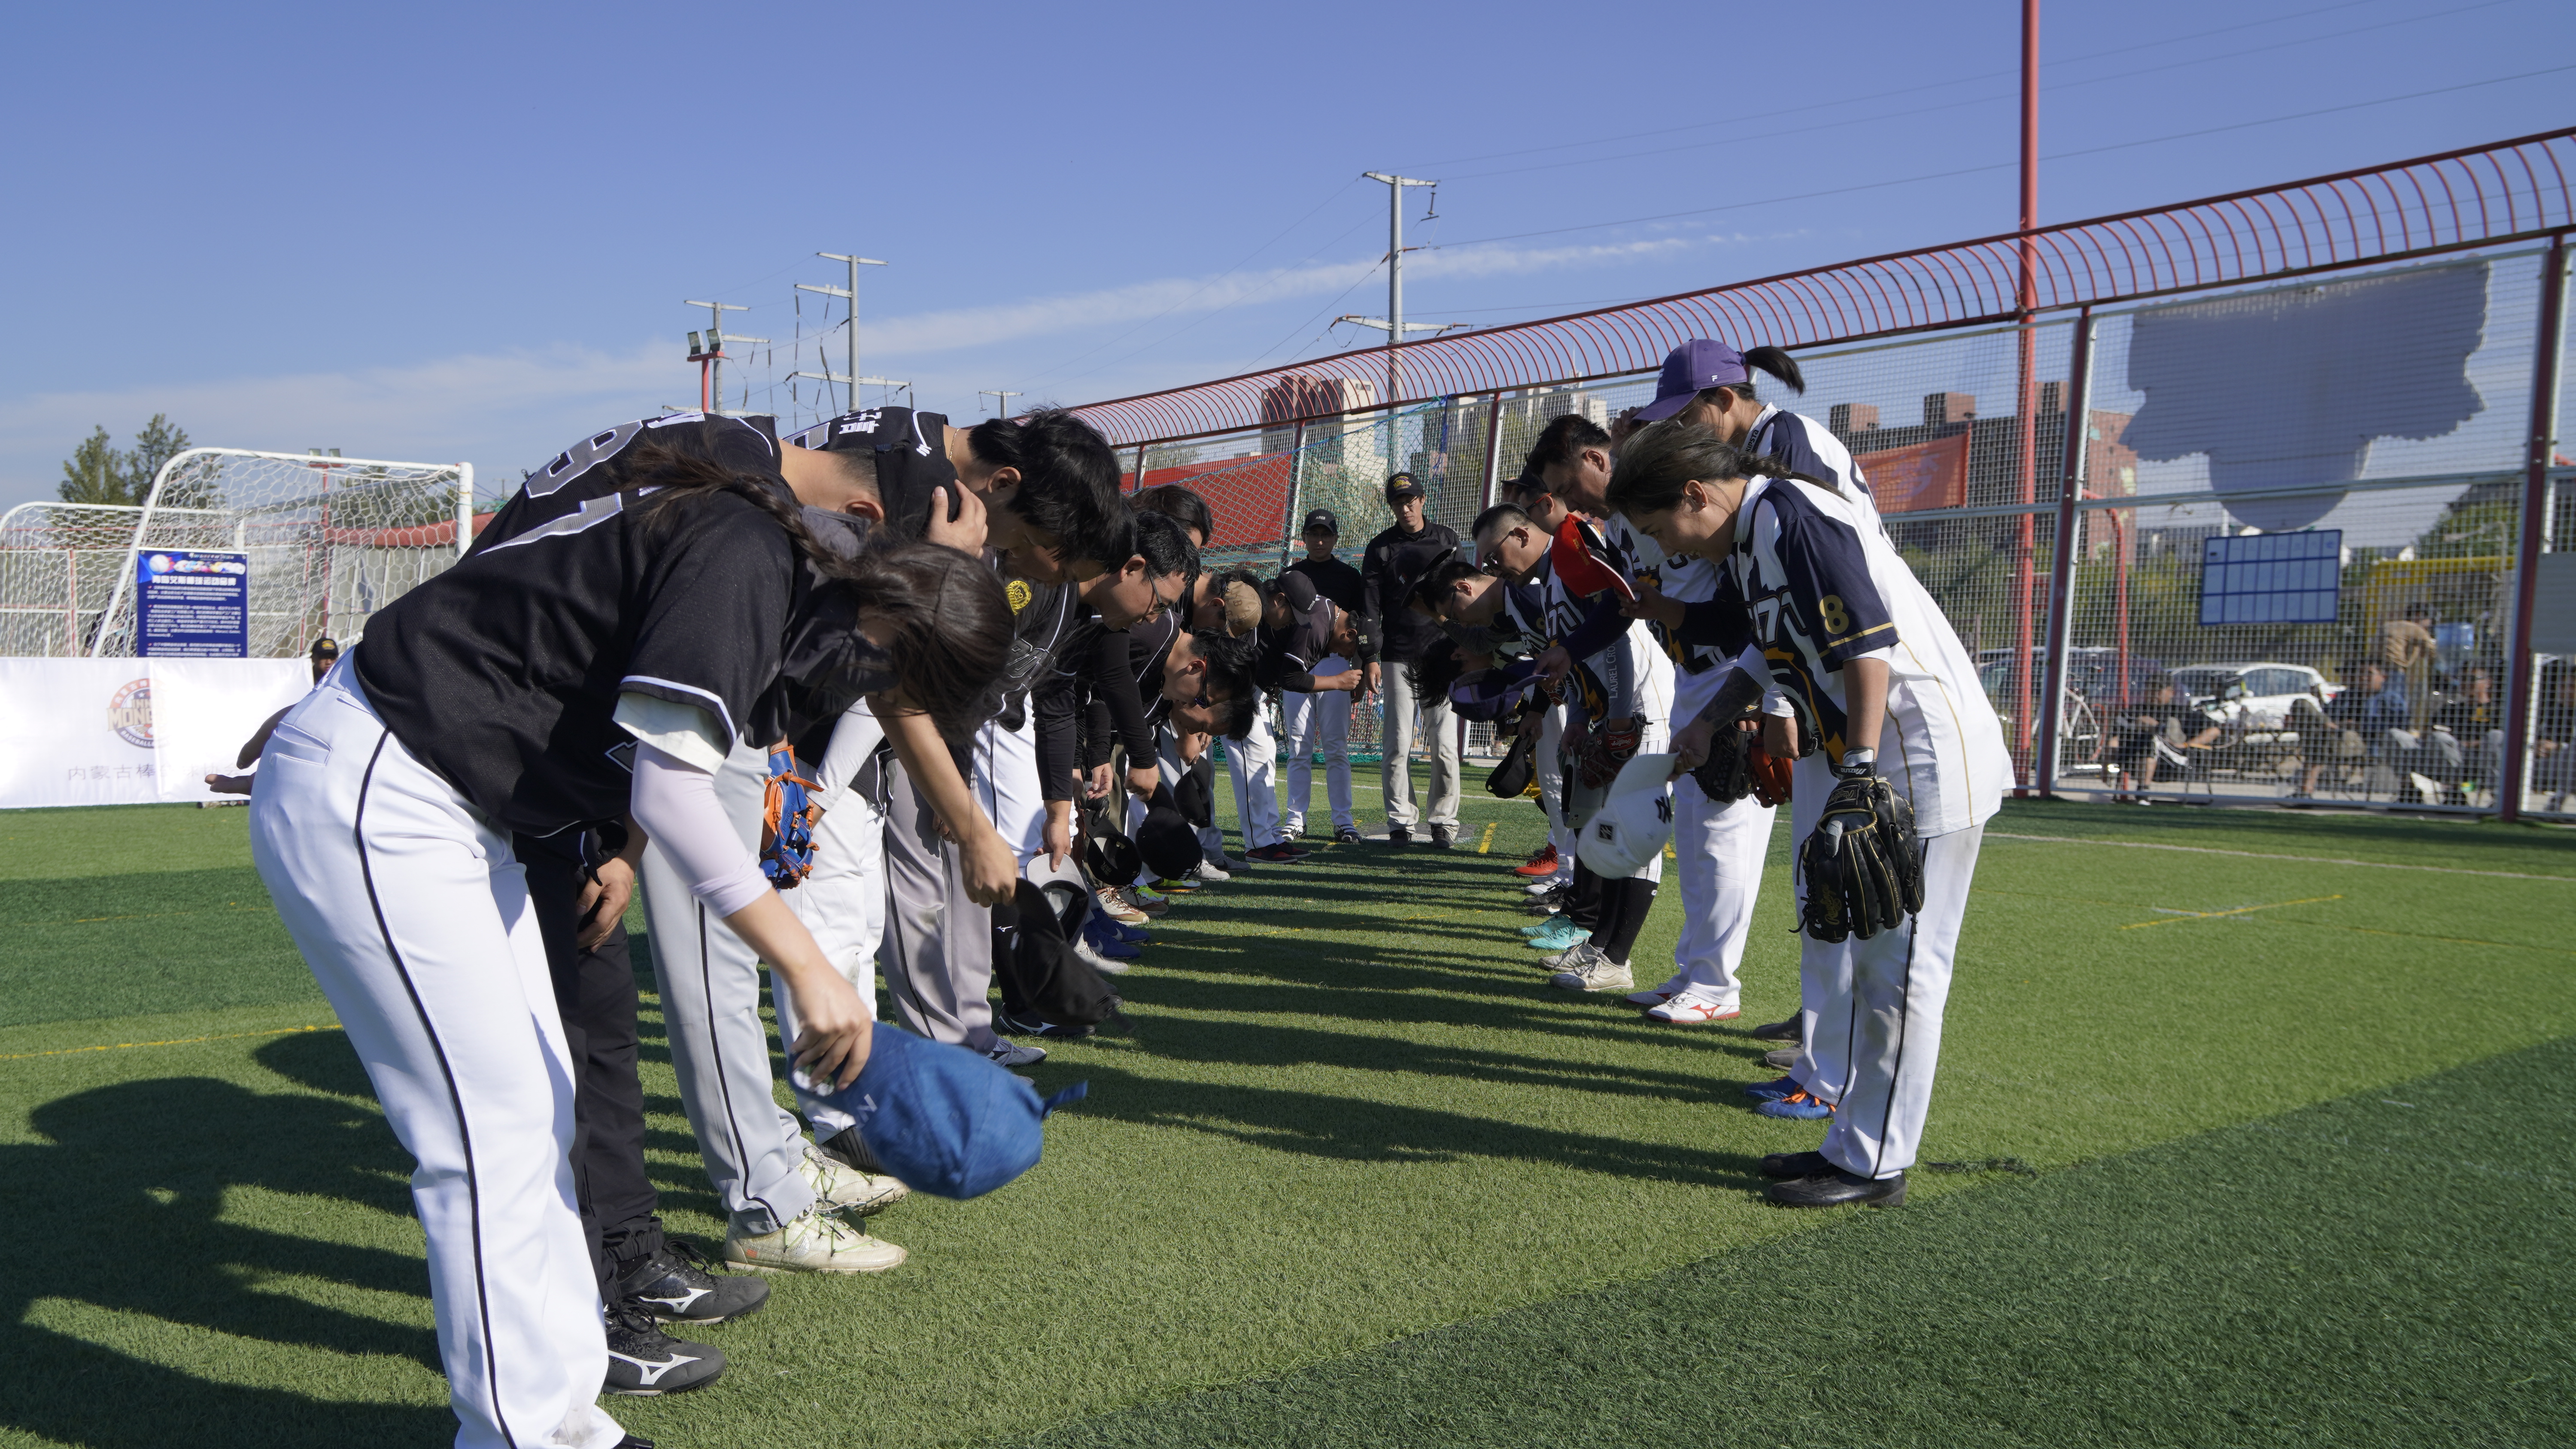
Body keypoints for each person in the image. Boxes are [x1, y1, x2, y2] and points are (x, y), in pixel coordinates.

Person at [247, 441, 1010, 1449]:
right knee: (487, 1134)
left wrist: (616, 846)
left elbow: (636, 744)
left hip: (458, 803)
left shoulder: (791, 578)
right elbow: (673, 788)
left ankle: (564, 1422)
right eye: (897, 670)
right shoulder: (752, 557)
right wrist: (808, 965)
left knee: (540, 1105)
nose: (876, 688)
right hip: (390, 786)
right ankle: (522, 1437)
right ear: (890, 620)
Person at [1607, 421, 2010, 1209]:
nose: (1669, 550)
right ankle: (1851, 1143)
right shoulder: (1761, 528)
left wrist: (1857, 769)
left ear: (1697, 494)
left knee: (1901, 971)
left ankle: (1874, 1164)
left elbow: (1867, 647)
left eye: (1663, 530)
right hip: (1888, 752)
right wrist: (1710, 718)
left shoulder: (1793, 514)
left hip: (1919, 754)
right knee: (1868, 964)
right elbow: (1768, 645)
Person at [1628, 337, 1878, 526]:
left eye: (1685, 417)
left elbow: (1809, 535)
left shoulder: (1787, 441)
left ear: (1724, 400)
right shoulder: (1755, 441)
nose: (1682, 429)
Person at [1360, 472, 1462, 844]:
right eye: (1397, 502)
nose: (1405, 508)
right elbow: (1369, 607)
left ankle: (1443, 822)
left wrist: (1463, 644)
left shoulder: (1446, 539)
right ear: (1392, 506)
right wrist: (1370, 656)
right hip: (1396, 654)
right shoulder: (1380, 547)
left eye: (1410, 500)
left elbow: (1462, 593)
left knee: (1445, 745)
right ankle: (1401, 821)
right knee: (1397, 744)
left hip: (1441, 653)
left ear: (1422, 500)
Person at [1283, 509, 1363, 842]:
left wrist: (1358, 665)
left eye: (1326, 534)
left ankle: (1344, 821)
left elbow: (1358, 628)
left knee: (1336, 747)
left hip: (1335, 663)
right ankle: (1295, 820)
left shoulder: (1349, 575)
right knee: (1298, 747)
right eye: (1314, 534)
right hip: (1299, 664)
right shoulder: (1291, 574)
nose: (1319, 540)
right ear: (1304, 536)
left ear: (1335, 538)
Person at [2099, 672, 2219, 801]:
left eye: (2158, 690)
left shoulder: (2181, 712)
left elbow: (2215, 730)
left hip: (2174, 761)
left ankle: (2143, 792)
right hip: (2132, 760)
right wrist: (2106, 769)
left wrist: (2187, 745)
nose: (2153, 693)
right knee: (2145, 736)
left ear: (2171, 692)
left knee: (2151, 739)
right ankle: (2143, 791)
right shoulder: (2132, 712)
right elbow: (2115, 740)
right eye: (2150, 689)